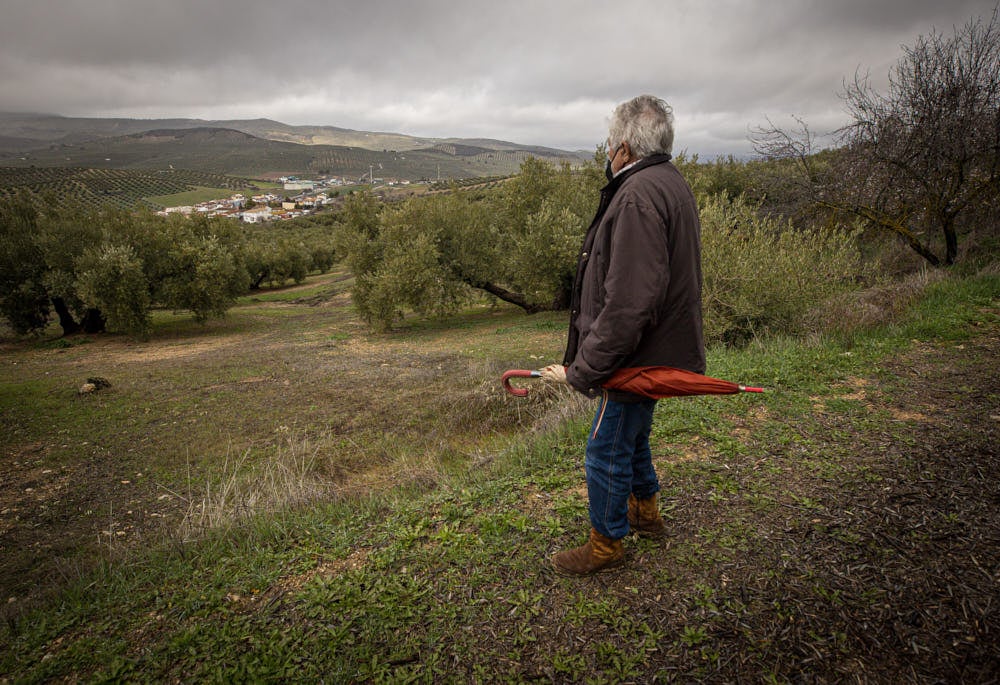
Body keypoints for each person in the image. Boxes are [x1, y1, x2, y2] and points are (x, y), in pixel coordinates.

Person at [540, 95, 704, 575]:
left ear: (626, 149)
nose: (607, 153)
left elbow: (630, 302)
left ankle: (606, 544)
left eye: (610, 145)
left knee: (604, 449)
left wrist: (587, 367)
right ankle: (645, 513)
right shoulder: (669, 183)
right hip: (655, 348)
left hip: (636, 354)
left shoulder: (635, 195)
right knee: (632, 438)